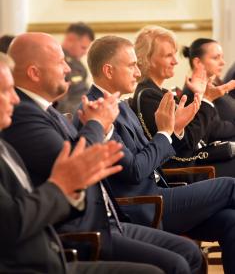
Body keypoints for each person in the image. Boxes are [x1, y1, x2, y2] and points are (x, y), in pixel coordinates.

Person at [2, 33, 204, 274]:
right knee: (179, 259)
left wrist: (170, 130)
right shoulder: (26, 115)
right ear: (34, 73)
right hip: (90, 227)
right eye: (60, 61)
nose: (68, 68)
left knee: (194, 250)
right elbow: (86, 166)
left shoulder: (55, 112)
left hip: (113, 217)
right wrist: (98, 125)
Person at [74, 35, 235, 274]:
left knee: (231, 221)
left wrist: (174, 130)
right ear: (108, 70)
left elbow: (157, 155)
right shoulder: (95, 112)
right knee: (231, 186)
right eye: (131, 65)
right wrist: (165, 132)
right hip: (144, 205)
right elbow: (135, 170)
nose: (138, 73)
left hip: (161, 192)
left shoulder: (120, 104)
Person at [131, 26, 235, 177]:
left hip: (196, 163)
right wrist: (206, 100)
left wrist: (200, 97)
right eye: (168, 56)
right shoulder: (148, 96)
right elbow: (185, 145)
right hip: (188, 170)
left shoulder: (159, 93)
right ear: (147, 59)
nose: (175, 62)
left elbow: (199, 136)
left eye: (174, 55)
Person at [182, 38, 235, 124]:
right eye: (216, 58)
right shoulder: (193, 93)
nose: (223, 62)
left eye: (222, 57)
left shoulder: (214, 85)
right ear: (198, 62)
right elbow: (212, 129)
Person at [55, 22, 95, 114]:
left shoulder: (79, 65)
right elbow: (59, 104)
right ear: (71, 39)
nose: (85, 53)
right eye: (83, 47)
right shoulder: (55, 62)